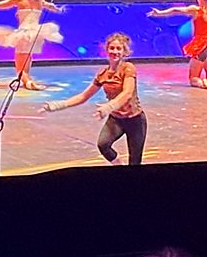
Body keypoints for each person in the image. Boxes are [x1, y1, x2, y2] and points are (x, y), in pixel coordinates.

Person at [41, 32, 146, 165]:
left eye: (119, 49)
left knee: (135, 161)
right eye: (112, 48)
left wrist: (109, 107)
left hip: (135, 120)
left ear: (125, 52)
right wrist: (57, 105)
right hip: (116, 120)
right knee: (103, 144)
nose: (115, 51)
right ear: (107, 50)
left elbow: (127, 93)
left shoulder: (128, 68)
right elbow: (84, 96)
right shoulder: (103, 74)